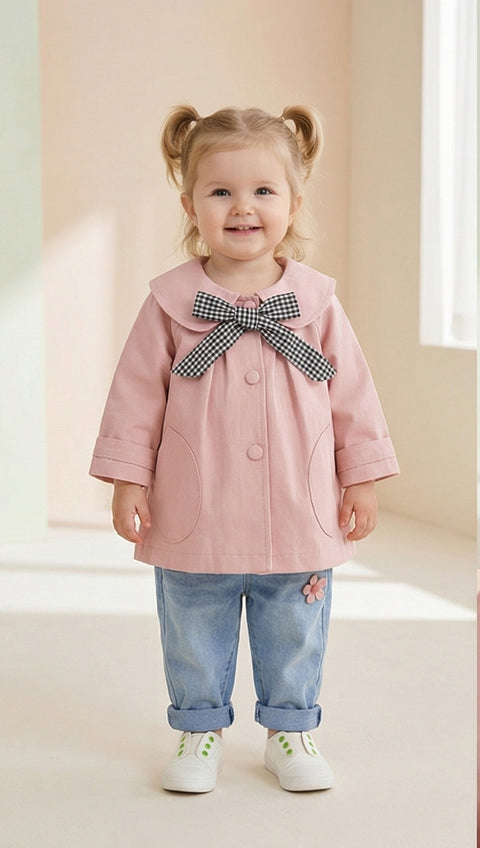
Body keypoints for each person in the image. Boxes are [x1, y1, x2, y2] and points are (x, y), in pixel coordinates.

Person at [89, 104, 400, 794]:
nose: (243, 207)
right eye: (221, 191)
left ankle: (290, 728)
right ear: (189, 203)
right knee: (192, 616)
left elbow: (352, 395)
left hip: (299, 502)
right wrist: (127, 479)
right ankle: (198, 729)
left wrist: (362, 477)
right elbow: (137, 397)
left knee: (296, 619)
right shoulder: (170, 303)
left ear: (293, 202)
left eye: (263, 191)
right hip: (194, 507)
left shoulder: (316, 302)